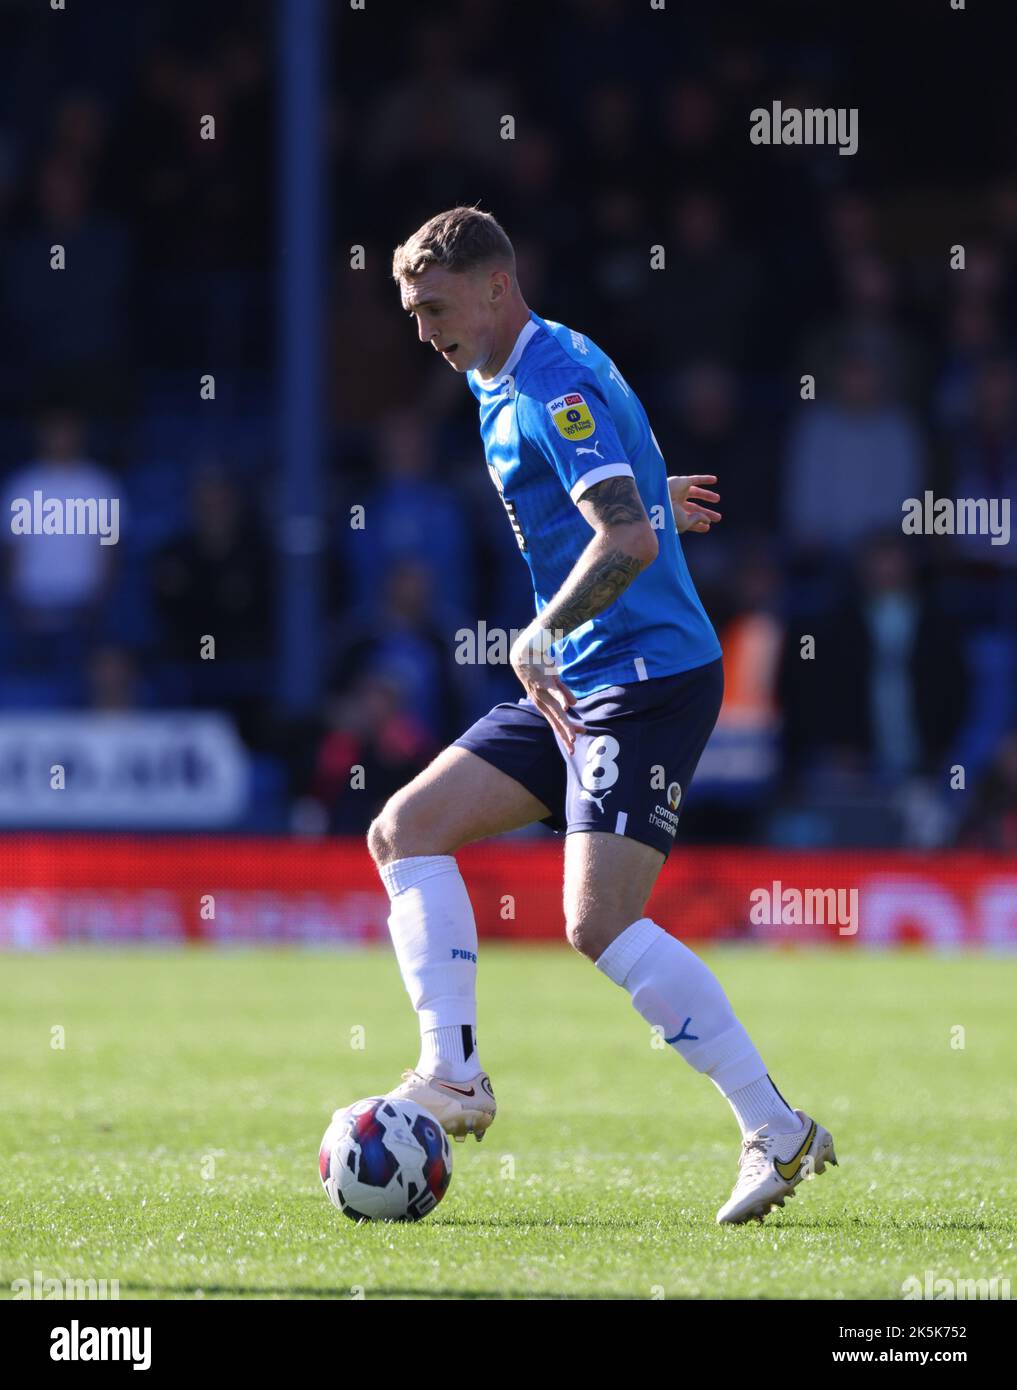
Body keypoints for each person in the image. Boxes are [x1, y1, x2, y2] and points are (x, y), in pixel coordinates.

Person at [365, 206, 836, 1224]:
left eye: (434, 306)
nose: (422, 331)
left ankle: (777, 1126)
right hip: (580, 676)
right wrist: (651, 494)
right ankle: (451, 1074)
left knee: (597, 919)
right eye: (411, 311)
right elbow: (619, 499)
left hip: (646, 674)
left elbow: (623, 540)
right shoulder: (515, 375)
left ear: (496, 286)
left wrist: (540, 630)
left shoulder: (547, 381)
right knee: (404, 827)